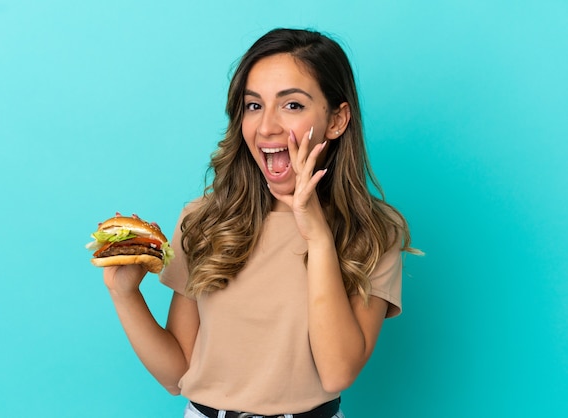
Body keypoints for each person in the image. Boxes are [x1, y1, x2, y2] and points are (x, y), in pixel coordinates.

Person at [102, 28, 418, 418]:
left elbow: (337, 373)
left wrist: (317, 236)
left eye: (292, 106)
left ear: (337, 120)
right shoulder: (204, 220)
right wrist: (124, 294)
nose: (266, 127)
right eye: (254, 106)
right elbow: (178, 374)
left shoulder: (374, 232)